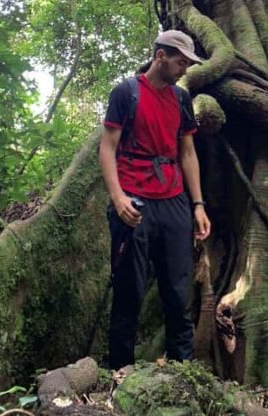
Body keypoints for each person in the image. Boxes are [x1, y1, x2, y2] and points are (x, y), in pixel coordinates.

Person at [99, 29, 211, 369]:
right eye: (180, 62)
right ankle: (120, 371)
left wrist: (198, 205)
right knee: (129, 291)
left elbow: (188, 153)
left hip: (174, 200)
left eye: (189, 63)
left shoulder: (181, 99)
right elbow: (107, 147)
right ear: (160, 57)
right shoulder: (126, 93)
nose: (185, 69)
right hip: (134, 201)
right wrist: (118, 199)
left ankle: (184, 369)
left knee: (178, 291)